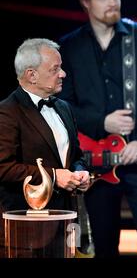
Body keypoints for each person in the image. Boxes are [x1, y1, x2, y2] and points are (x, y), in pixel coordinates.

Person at [58, 0, 137, 257]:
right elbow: (63, 106)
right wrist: (101, 122)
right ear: (86, 2)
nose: (113, 2)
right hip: (97, 165)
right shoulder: (69, 47)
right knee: (105, 249)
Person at [0, 38, 90, 256]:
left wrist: (79, 173)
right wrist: (53, 176)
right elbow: (3, 168)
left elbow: (76, 155)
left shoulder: (63, 108)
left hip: (67, 222)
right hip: (27, 228)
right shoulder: (7, 112)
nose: (63, 74)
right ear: (32, 75)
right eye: (55, 69)